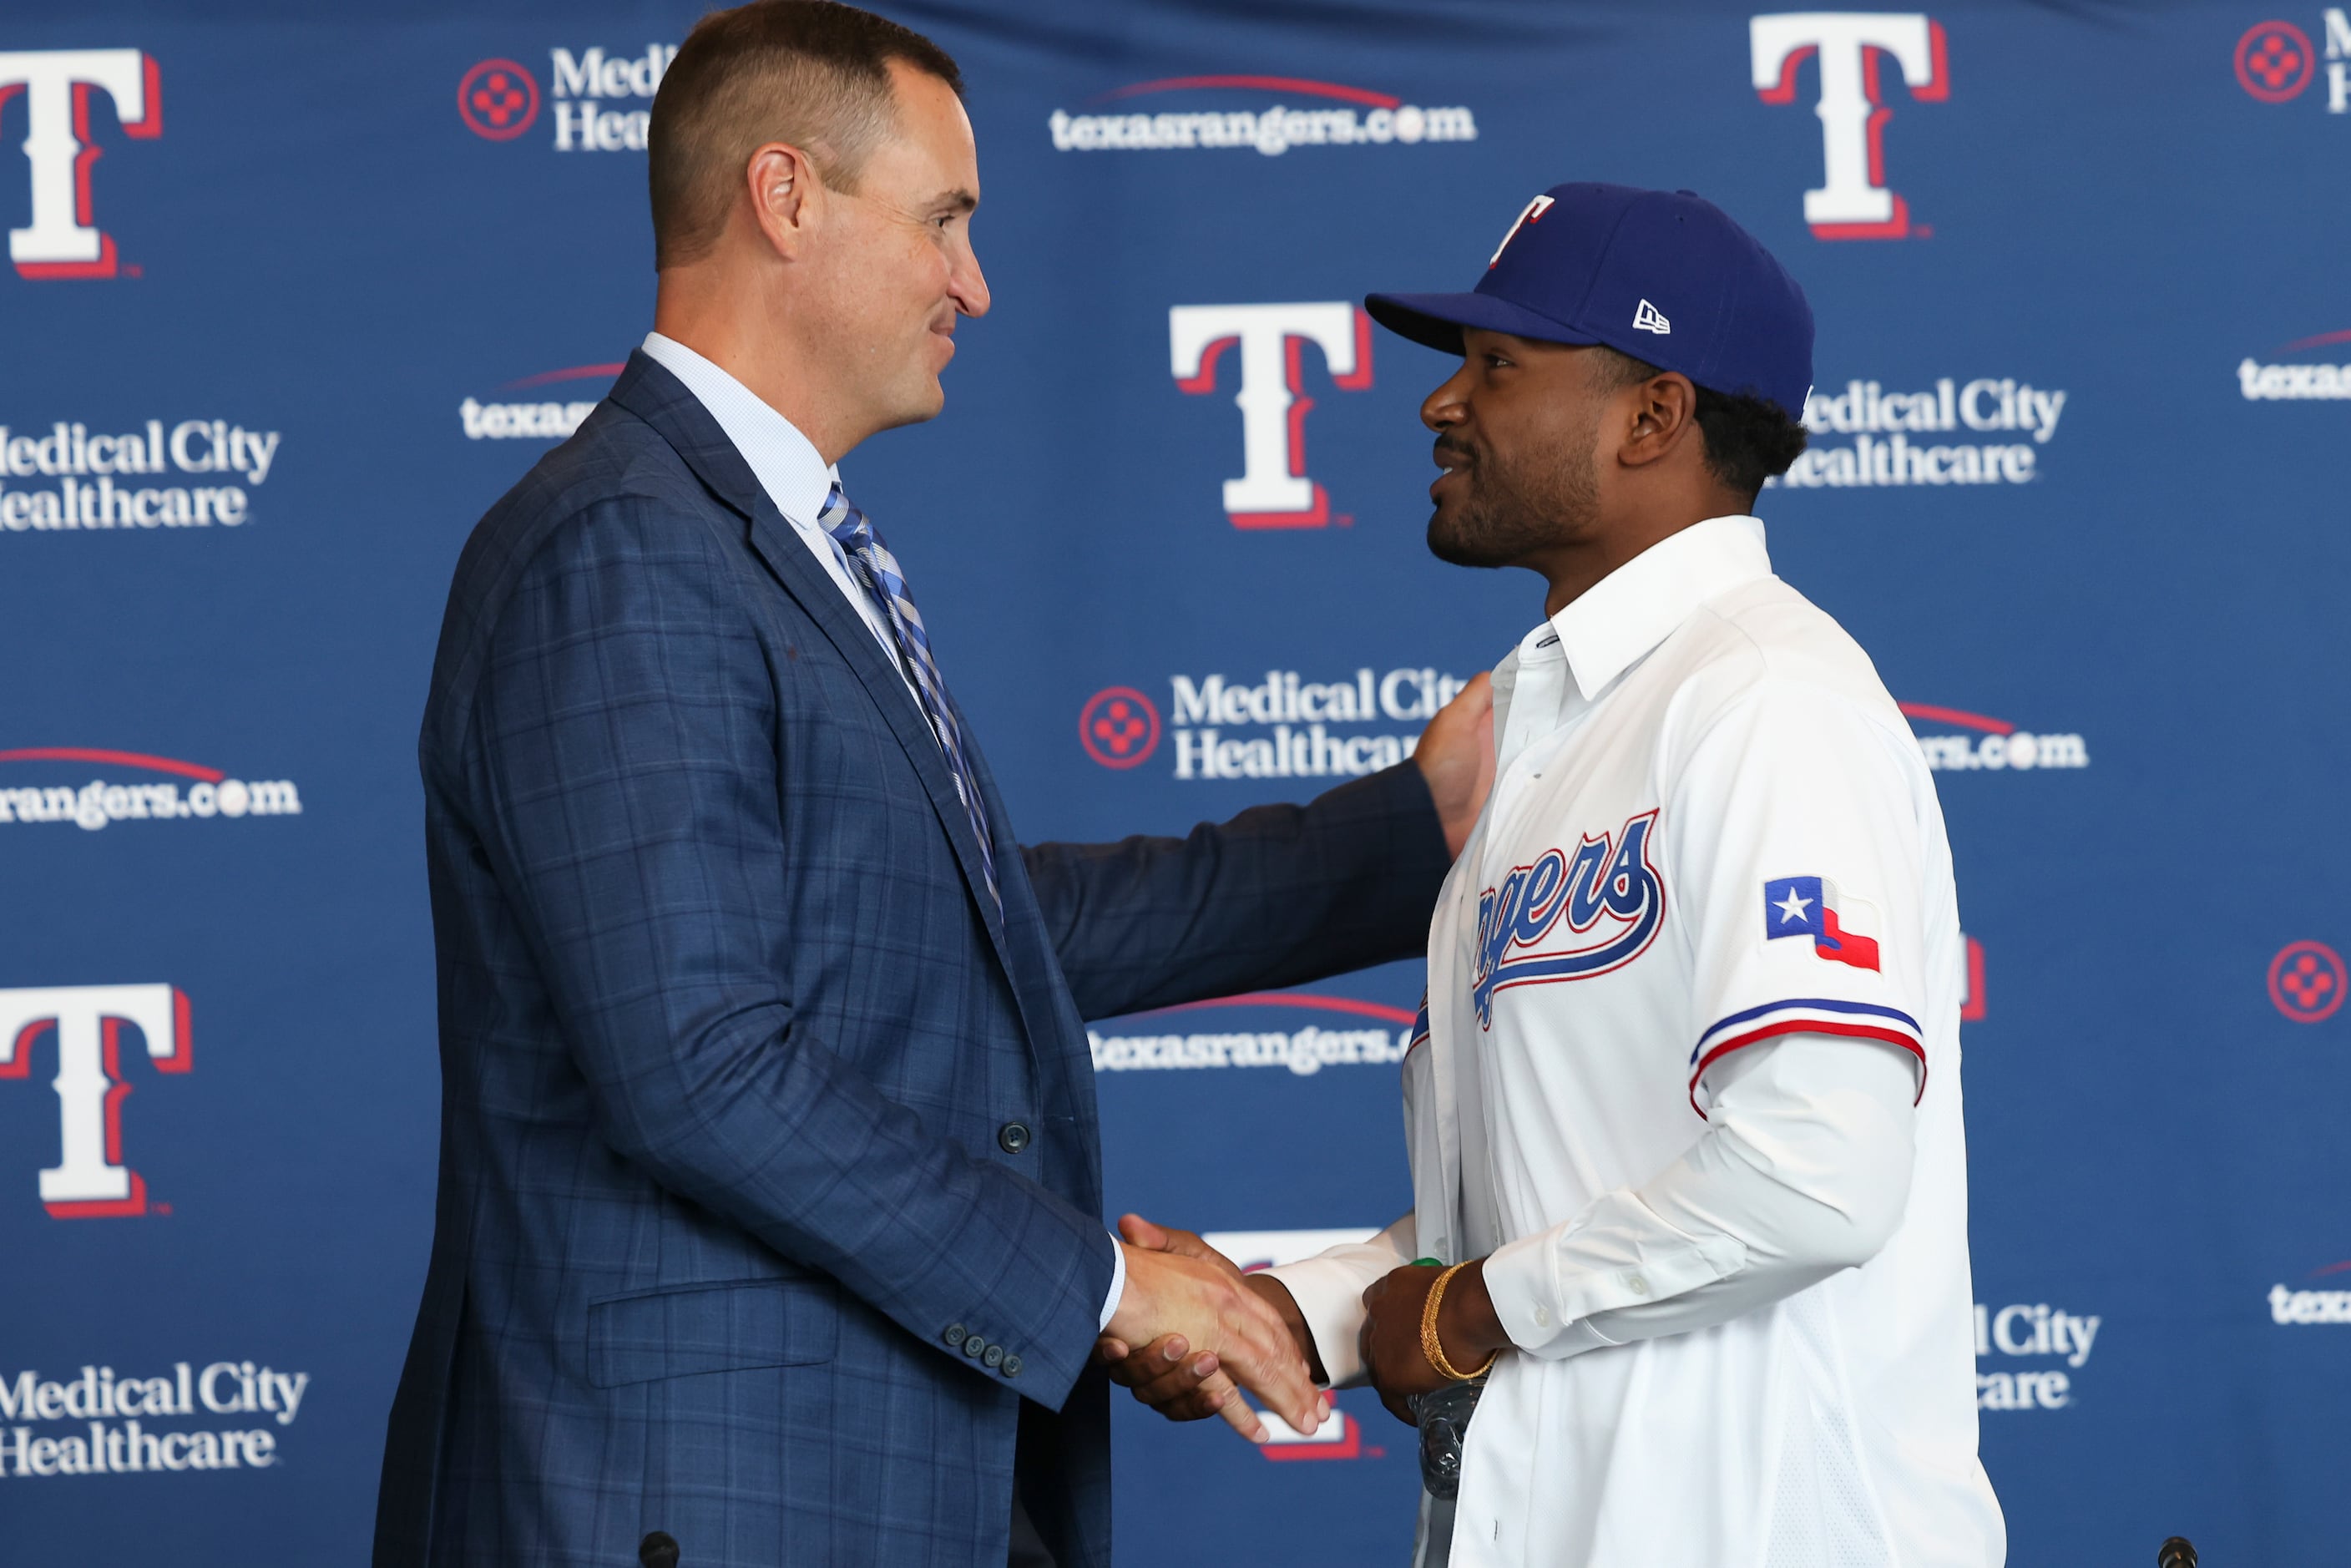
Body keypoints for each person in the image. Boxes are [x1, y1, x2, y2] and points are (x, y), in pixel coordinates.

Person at [371, 5, 1494, 1565]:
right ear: (787, 197)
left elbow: (980, 932)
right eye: (945, 218)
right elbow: (699, 1066)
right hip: (693, 1499)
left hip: (870, 1480)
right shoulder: (621, 548)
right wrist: (1101, 1285)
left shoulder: (762, 543)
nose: (974, 280)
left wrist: (1409, 834)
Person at [1103, 185, 2005, 1567]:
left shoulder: (1768, 699)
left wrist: (1468, 1310)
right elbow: (1551, 1191)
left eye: (1497, 366)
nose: (1439, 404)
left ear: (1653, 414)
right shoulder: (1559, 732)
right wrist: (1306, 1313)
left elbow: (1820, 1166)